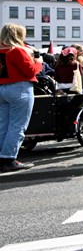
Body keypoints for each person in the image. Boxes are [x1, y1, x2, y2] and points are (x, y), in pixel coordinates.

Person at [0, 23, 42, 172]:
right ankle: (8, 158)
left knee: (3, 125)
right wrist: (38, 63)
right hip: (19, 88)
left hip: (2, 88)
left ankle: (1, 157)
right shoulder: (17, 50)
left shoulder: (2, 51)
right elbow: (30, 71)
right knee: (17, 125)